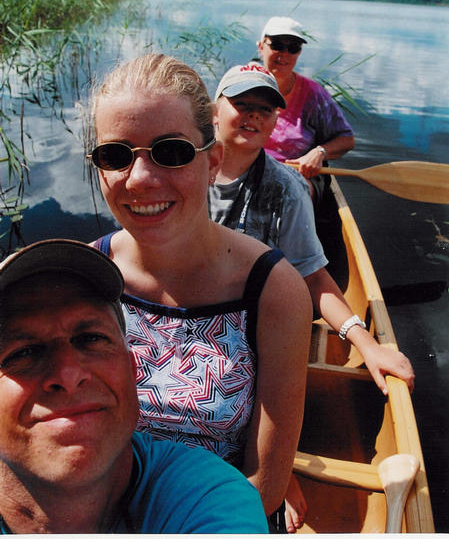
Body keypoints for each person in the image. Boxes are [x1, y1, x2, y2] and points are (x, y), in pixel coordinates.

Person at [86, 53, 313, 521]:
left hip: (217, 516)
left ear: (212, 162)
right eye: (115, 155)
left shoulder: (272, 290)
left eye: (171, 152)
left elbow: (264, 485)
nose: (141, 179)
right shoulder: (86, 275)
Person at [210, 63, 415, 532]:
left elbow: (315, 280)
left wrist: (366, 343)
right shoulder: (182, 171)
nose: (253, 116)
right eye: (242, 105)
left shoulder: (285, 189)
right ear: (215, 109)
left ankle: (276, 469)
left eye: (265, 110)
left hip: (256, 333)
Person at [0, 238, 270, 534]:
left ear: (133, 371)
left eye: (91, 338)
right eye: (23, 353)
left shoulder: (208, 496)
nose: (68, 374)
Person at [257, 15, 355, 204]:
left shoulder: (313, 94)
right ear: (261, 46)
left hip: (298, 175)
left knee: (284, 195)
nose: (284, 54)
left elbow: (347, 140)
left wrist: (319, 152)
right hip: (248, 170)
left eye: (293, 48)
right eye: (277, 45)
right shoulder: (243, 87)